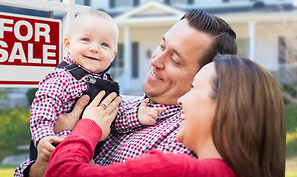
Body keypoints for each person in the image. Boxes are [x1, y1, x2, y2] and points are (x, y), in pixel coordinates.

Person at [22, 9, 238, 176]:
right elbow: (27, 169)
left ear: (206, 75)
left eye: (175, 59)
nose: (155, 61)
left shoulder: (184, 139)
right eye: (162, 46)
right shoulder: (116, 102)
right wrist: (40, 164)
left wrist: (84, 129)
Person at [45, 55, 286, 177]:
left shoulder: (174, 169)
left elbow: (62, 173)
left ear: (225, 107)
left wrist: (88, 126)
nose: (182, 101)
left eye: (194, 88)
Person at [14, 10, 165, 177]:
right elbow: (43, 108)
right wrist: (43, 137)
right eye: (86, 40)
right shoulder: (62, 77)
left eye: (104, 45)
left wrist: (137, 116)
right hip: (54, 149)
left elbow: (114, 118)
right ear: (67, 45)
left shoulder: (108, 84)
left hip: (85, 158)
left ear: (113, 55)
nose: (94, 48)